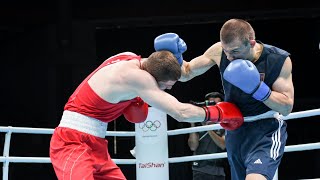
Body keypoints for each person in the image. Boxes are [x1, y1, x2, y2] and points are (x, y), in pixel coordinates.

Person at [49, 43, 244, 179]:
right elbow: (180, 112)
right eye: (166, 86)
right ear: (154, 78)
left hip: (96, 142)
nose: (167, 90)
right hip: (72, 141)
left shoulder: (130, 58)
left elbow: (170, 72)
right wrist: (218, 113)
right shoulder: (139, 79)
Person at [155, 18, 294, 180]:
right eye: (226, 51)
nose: (228, 57)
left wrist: (258, 88)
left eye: (234, 52)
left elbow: (286, 107)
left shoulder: (277, 59)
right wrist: (175, 57)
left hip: (265, 130)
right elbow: (186, 73)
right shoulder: (219, 51)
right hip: (235, 130)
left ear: (251, 43)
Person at [188, 91, 229, 180]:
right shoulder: (199, 124)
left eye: (216, 105)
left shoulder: (224, 124)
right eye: (211, 104)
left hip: (219, 171)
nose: (214, 107)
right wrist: (192, 124)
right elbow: (193, 147)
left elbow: (223, 145)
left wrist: (208, 128)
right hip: (200, 169)